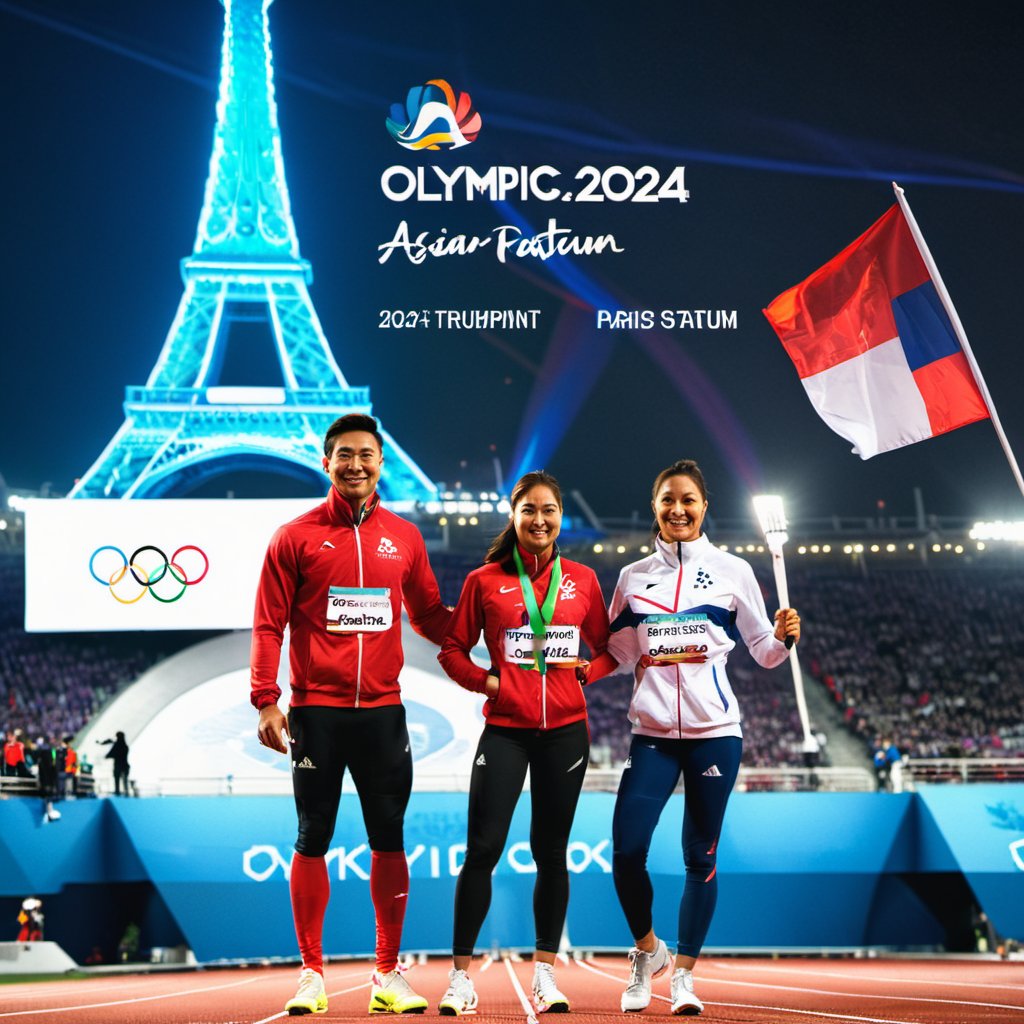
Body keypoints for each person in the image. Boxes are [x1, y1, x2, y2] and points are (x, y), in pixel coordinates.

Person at [251, 413, 451, 1017]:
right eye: (344, 455)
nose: (356, 464)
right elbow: (269, 622)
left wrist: (493, 624)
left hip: (384, 715)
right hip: (317, 712)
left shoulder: (405, 537)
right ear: (326, 462)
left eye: (367, 454)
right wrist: (266, 697)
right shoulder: (295, 536)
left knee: (389, 839)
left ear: (381, 462)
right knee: (313, 837)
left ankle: (387, 974)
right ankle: (311, 974)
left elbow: (431, 616)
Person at [607, 460, 800, 1016]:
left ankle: (684, 976)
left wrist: (785, 638)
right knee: (626, 850)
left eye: (688, 499)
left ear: (704, 506)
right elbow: (619, 656)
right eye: (668, 500)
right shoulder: (632, 577)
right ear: (655, 508)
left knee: (701, 855)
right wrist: (568, 665)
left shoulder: (733, 570)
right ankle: (648, 953)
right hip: (652, 736)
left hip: (716, 733)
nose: (679, 509)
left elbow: (764, 652)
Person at [436, 470, 616, 1016]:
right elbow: (452, 650)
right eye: (530, 510)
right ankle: (459, 979)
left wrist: (587, 674)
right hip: (507, 731)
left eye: (550, 511)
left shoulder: (582, 579)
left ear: (560, 517)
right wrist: (490, 682)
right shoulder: (484, 581)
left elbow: (609, 647)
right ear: (513, 516)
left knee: (551, 853)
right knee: (483, 850)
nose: (540, 520)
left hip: (566, 733)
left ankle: (545, 975)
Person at [102, 732, 131, 796]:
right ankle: (125, 792)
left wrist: (108, 755)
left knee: (119, 781)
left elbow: (111, 754)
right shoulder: (125, 746)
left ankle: (119, 792)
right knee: (124, 781)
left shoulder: (117, 745)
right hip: (124, 766)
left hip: (119, 766)